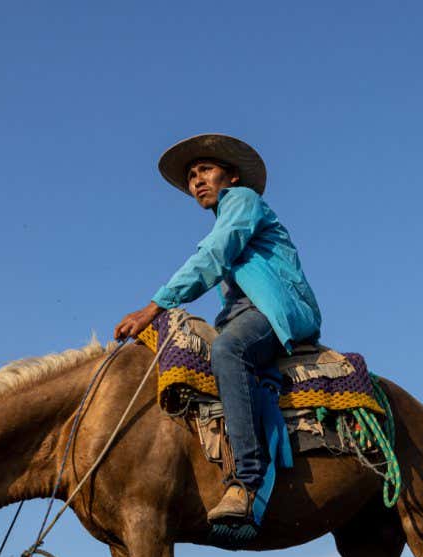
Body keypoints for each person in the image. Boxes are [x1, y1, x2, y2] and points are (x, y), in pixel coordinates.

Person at [115, 134, 322, 525]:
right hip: (242, 312)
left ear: (232, 176)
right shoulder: (226, 216)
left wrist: (154, 306)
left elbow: (214, 254)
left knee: (228, 350)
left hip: (274, 310)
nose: (197, 180)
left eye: (205, 170)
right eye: (191, 176)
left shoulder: (243, 201)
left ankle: (246, 480)